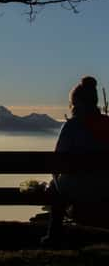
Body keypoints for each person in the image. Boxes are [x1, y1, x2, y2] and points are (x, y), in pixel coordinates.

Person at [41, 76, 109, 245]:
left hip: (76, 190)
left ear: (77, 103)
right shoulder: (107, 123)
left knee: (53, 188)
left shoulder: (72, 126)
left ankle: (54, 236)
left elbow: (57, 160)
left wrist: (56, 180)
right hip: (106, 188)